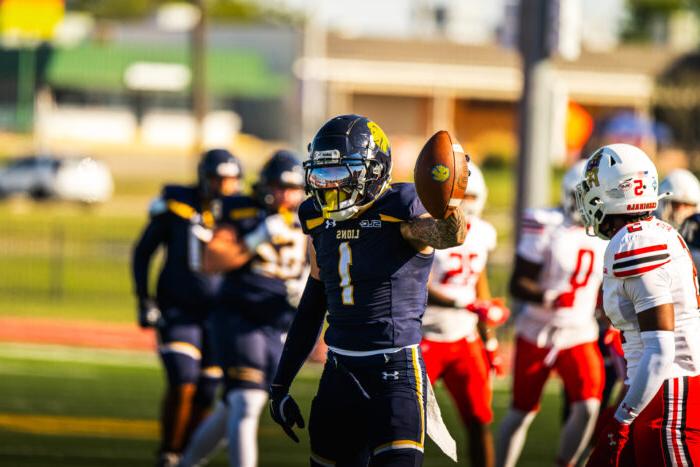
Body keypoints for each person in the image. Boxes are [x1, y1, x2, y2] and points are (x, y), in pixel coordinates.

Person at [268, 114, 467, 466]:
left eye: (340, 175)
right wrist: (280, 384)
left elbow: (447, 235)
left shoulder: (401, 211)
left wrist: (448, 204)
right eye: (322, 175)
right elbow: (313, 304)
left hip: (395, 372)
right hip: (339, 372)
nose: (330, 188)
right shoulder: (317, 219)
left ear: (373, 173)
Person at [178, 150, 308, 467]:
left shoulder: (310, 216)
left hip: (279, 324)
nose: (285, 195)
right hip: (239, 318)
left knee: (233, 407)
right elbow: (212, 260)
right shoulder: (242, 210)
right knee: (247, 401)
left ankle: (187, 463)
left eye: (293, 188)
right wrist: (256, 237)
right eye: (279, 186)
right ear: (264, 185)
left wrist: (306, 285)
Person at [576, 143, 700, 466]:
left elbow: (661, 352)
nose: (588, 193)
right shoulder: (655, 232)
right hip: (656, 393)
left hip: (669, 400)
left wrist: (620, 420)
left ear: (618, 189)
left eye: (594, 182)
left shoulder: (635, 242)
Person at [131, 149, 243, 467]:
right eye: (218, 179)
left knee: (208, 390)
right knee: (183, 379)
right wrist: (144, 297)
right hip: (179, 307)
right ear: (204, 178)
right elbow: (143, 251)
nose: (224, 187)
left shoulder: (241, 213)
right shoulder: (177, 204)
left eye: (231, 180)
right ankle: (169, 452)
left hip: (219, 313)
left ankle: (189, 457)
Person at [497, 160, 606, 467]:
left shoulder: (605, 231)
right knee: (521, 412)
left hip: (580, 332)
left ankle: (566, 463)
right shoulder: (544, 222)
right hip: (538, 330)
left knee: (588, 407)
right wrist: (547, 296)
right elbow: (518, 283)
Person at [420, 162, 508, 467]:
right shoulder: (426, 228)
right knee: (404, 423)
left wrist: (491, 341)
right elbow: (418, 285)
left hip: (464, 339)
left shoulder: (483, 233)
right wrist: (462, 303)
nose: (465, 204)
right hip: (424, 337)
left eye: (471, 196)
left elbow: (479, 284)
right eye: (461, 196)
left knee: (479, 419)